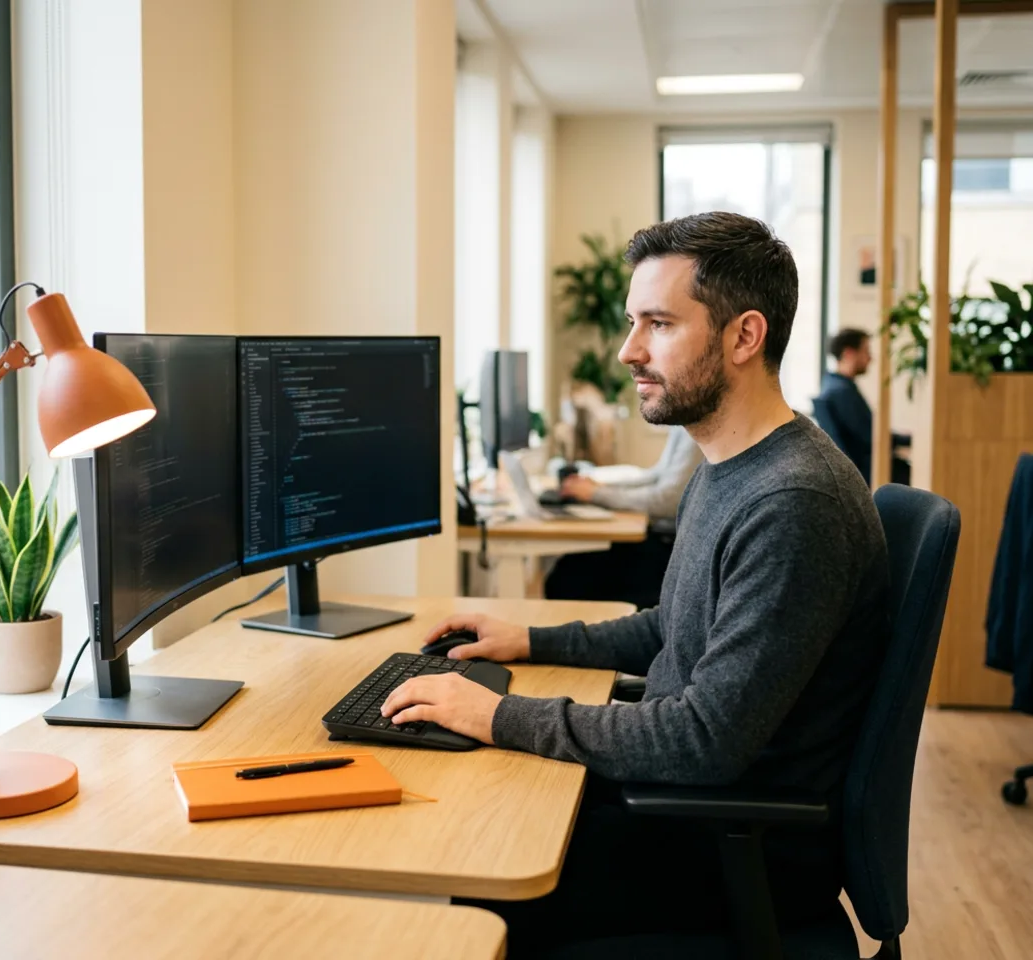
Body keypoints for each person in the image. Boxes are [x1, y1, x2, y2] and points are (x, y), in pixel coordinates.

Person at [380, 212, 891, 955]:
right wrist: (529, 639)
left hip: (723, 847)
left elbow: (704, 740)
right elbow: (671, 626)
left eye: (658, 323)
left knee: (459, 856)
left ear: (744, 336)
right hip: (686, 814)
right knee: (460, 805)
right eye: (632, 322)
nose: (628, 351)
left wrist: (498, 715)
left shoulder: (794, 503)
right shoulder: (730, 465)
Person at [543, 425, 703, 607]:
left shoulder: (697, 428)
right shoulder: (683, 427)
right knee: (566, 568)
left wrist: (596, 494)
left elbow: (667, 502)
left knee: (565, 579)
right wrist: (600, 488)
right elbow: (656, 475)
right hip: (666, 540)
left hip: (671, 551)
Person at [816, 327, 911, 485]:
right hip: (867, 474)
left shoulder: (832, 385)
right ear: (848, 354)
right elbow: (873, 437)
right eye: (866, 351)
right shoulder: (842, 392)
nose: (870, 358)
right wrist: (909, 440)